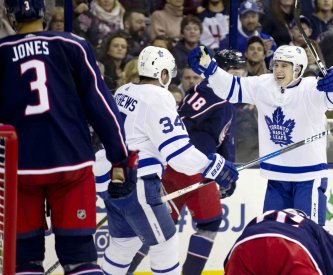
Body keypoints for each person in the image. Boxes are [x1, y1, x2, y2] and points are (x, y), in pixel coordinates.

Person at [0, 0, 133, 273]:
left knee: (24, 259)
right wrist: (120, 159)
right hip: (71, 163)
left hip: (18, 169)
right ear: (44, 13)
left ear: (10, 15)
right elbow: (101, 106)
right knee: (80, 257)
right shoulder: (72, 44)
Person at [99, 45, 239, 275]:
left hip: (110, 181)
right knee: (166, 244)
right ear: (163, 74)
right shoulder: (159, 97)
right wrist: (212, 165)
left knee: (125, 245)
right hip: (137, 182)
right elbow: (177, 153)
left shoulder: (124, 90)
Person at [188, 44, 333, 225]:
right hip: (276, 176)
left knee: (309, 232)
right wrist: (209, 68)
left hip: (309, 176)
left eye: (285, 66)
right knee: (273, 231)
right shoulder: (263, 85)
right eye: (276, 65)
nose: (278, 70)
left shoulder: (313, 88)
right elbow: (230, 87)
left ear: (298, 69)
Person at [224, 208, 333, 274]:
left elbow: (228, 260)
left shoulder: (258, 221)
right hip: (291, 249)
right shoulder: (311, 226)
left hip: (246, 246)